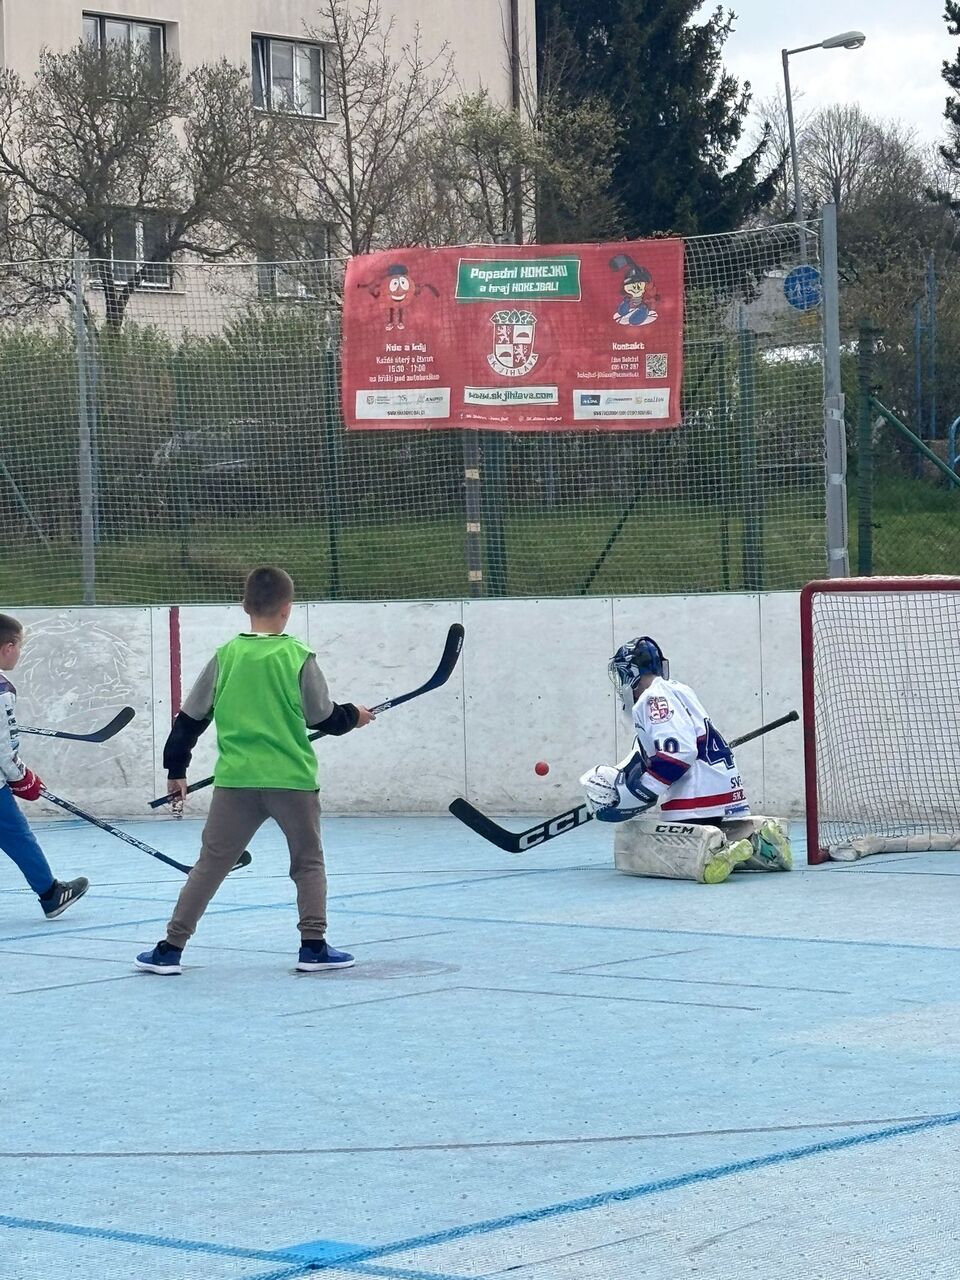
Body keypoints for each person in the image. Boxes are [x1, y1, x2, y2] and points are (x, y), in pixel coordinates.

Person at [135, 567, 374, 975]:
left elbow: (189, 720)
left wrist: (177, 768)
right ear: (288, 609)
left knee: (210, 865)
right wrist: (354, 715)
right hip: (292, 781)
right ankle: (313, 947)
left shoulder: (226, 655)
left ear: (245, 606)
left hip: (236, 782)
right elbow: (323, 717)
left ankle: (170, 949)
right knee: (307, 863)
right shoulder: (298, 656)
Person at [579, 636, 792, 884]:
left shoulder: (651, 699)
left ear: (631, 673)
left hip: (695, 795)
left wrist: (644, 790)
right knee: (708, 827)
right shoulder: (679, 689)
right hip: (724, 790)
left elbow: (679, 753)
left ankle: (716, 855)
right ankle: (758, 841)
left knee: (636, 845)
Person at [0, 613, 89, 917]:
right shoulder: (2, 690)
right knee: (17, 835)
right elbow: (4, 750)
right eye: (19, 646)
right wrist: (23, 778)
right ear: (8, 647)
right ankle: (51, 895)